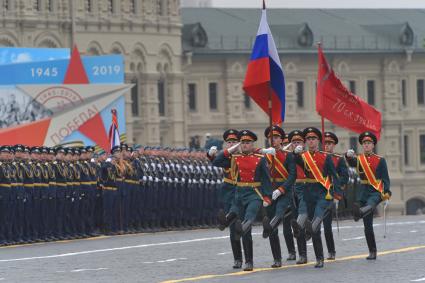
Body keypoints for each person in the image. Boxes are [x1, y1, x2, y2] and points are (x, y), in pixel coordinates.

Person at [214, 130, 272, 271]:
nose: (245, 145)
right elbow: (216, 161)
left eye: (248, 143)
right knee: (234, 215)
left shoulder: (260, 158)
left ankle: (249, 261)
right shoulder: (235, 158)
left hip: (254, 193)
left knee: (247, 223)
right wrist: (230, 149)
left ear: (252, 144)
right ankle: (225, 221)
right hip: (239, 193)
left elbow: (266, 180)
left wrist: (267, 196)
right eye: (243, 143)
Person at [292, 127, 341, 268]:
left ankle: (319, 258)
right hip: (308, 192)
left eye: (313, 139)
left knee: (315, 225)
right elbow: (299, 164)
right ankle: (298, 227)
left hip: (322, 193)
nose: (311, 141)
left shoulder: (326, 157)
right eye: (308, 139)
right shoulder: (304, 156)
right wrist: (295, 154)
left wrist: (337, 194)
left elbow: (335, 176)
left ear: (318, 141)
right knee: (308, 223)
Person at [346, 131, 391, 260]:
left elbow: (385, 178)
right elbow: (351, 163)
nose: (366, 145)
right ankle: (372, 251)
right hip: (363, 191)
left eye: (368, 143)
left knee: (371, 205)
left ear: (373, 145)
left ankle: (358, 213)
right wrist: (348, 156)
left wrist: (387, 192)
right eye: (364, 143)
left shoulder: (380, 160)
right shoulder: (359, 159)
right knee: (367, 225)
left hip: (375, 191)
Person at [208, 129, 244, 269]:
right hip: (229, 192)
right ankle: (237, 259)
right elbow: (215, 161)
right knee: (234, 229)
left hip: (244, 190)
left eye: (234, 142)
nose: (231, 144)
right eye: (229, 142)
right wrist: (211, 155)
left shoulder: (245, 155)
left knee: (243, 226)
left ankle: (248, 258)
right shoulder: (225, 157)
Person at [261, 126, 296, 268]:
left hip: (284, 191)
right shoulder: (266, 155)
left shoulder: (288, 155)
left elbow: (293, 175)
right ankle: (277, 258)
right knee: (272, 228)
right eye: (271, 138)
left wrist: (281, 190)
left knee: (280, 212)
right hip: (270, 191)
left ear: (281, 139)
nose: (273, 140)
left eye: (275, 138)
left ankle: (270, 226)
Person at [322, 132, 349, 260]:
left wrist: (338, 190)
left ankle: (331, 251)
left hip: (330, 193)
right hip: (316, 192)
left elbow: (345, 177)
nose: (327, 146)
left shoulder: (339, 159)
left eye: (330, 143)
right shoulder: (317, 157)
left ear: (334, 145)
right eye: (325, 143)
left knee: (327, 224)